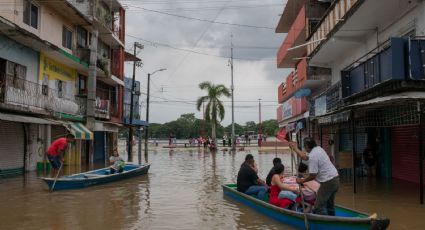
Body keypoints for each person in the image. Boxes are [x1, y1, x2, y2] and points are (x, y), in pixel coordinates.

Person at [289, 137, 339, 216]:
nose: (304, 148)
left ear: (307, 146)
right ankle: (333, 220)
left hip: (328, 182)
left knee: (318, 208)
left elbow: (313, 176)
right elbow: (304, 157)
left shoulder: (313, 157)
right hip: (335, 180)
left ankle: (323, 225)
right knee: (330, 205)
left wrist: (301, 181)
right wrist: (294, 148)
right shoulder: (319, 149)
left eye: (304, 146)